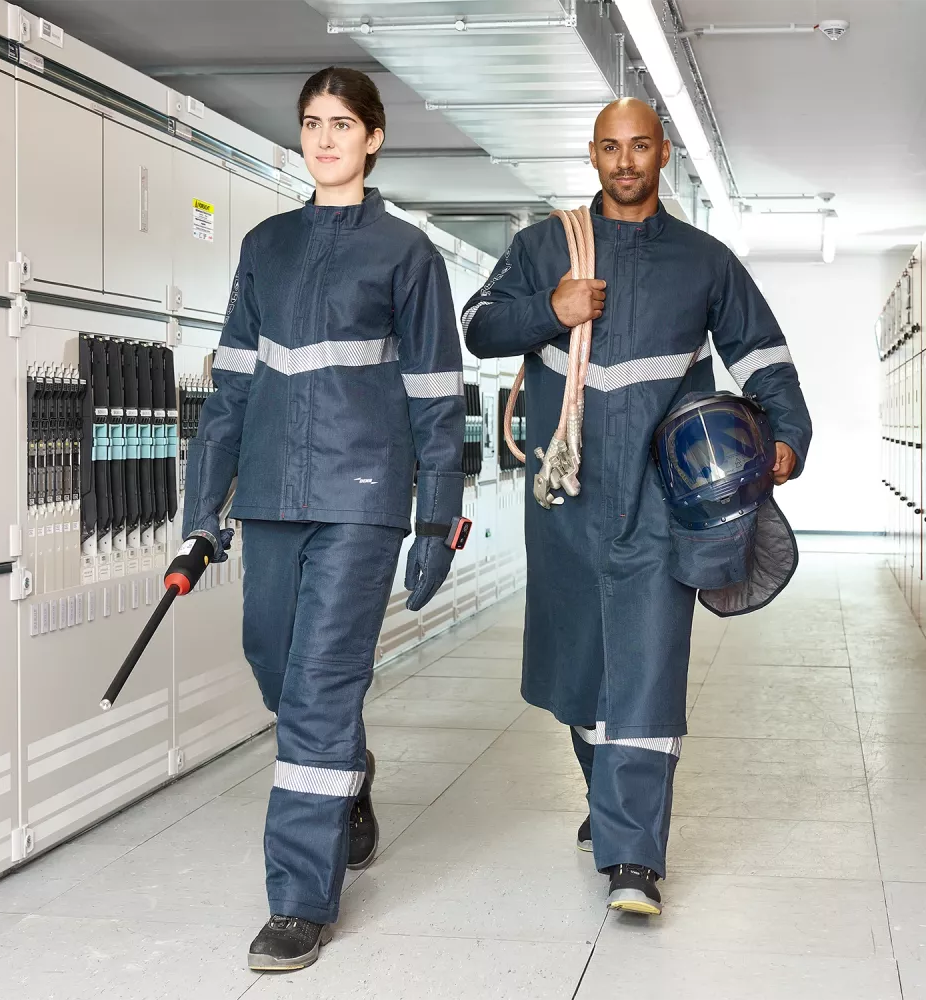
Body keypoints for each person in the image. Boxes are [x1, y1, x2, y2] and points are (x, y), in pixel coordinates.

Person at [462, 98, 812, 915]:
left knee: (649, 664)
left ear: (662, 154)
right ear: (593, 155)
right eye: (612, 148)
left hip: (663, 496)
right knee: (582, 667)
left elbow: (764, 355)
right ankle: (608, 794)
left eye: (641, 147)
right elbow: (477, 326)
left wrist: (789, 435)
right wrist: (551, 310)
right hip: (568, 495)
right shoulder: (543, 246)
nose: (626, 162)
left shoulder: (704, 261)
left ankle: (633, 857)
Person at [181, 67, 467, 970]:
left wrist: (437, 518)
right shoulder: (265, 247)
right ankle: (350, 769)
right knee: (272, 660)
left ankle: (299, 903)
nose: (326, 139)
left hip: (363, 498)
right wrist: (202, 511)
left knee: (316, 691)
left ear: (373, 138)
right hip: (271, 495)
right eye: (312, 123)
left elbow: (438, 397)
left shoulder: (407, 254)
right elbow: (230, 390)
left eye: (343, 124)